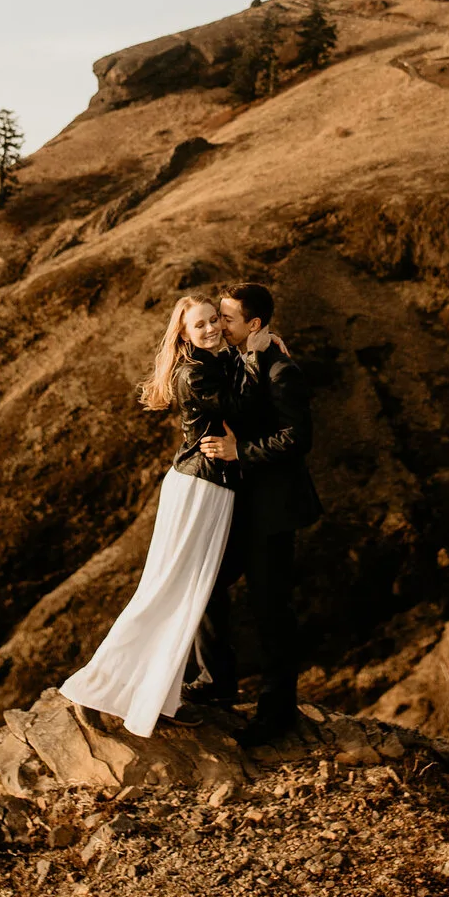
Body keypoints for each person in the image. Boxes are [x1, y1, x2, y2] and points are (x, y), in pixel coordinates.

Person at [57, 296, 246, 738]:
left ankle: (156, 693)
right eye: (199, 325)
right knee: (171, 591)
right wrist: (261, 354)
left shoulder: (210, 363)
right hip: (201, 487)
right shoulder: (195, 372)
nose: (211, 328)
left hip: (208, 484)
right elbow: (244, 410)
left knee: (190, 591)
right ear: (183, 333)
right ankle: (101, 684)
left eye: (214, 320)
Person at [193, 280, 322, 747]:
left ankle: (277, 710)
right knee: (203, 586)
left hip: (271, 512)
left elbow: (297, 439)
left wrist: (238, 451)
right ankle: (216, 680)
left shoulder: (281, 370)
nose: (219, 325)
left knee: (271, 611)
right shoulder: (233, 360)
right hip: (234, 508)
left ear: (254, 324)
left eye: (226, 318)